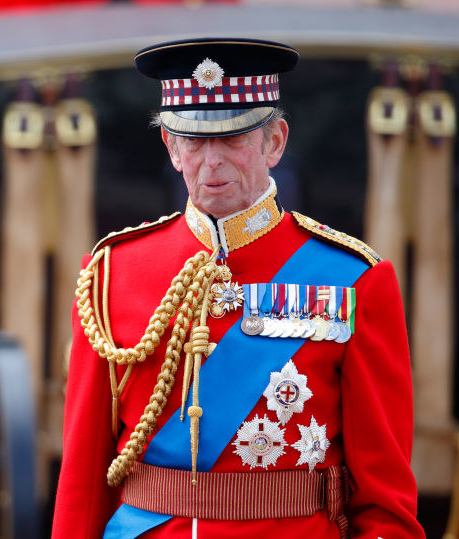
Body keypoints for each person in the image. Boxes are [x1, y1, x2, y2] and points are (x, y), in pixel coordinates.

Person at [51, 38, 423, 539]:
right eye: (196, 141)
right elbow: (82, 482)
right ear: (171, 147)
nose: (212, 163)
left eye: (233, 139)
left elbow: (385, 503)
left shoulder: (353, 279)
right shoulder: (111, 272)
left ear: (275, 142)